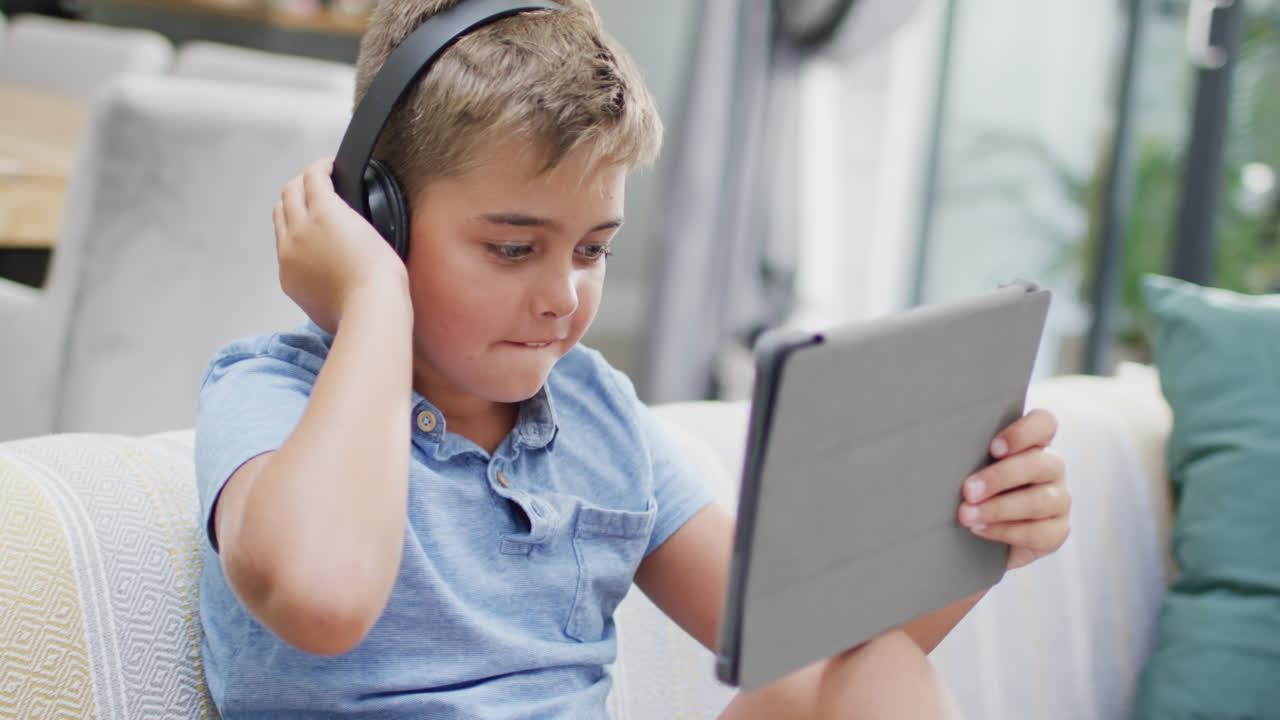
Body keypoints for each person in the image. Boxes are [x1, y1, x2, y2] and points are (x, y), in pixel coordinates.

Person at [193, 0, 1072, 717]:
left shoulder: (596, 413)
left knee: (878, 674)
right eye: (512, 249)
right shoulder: (270, 395)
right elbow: (324, 598)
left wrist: (980, 535)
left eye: (592, 251)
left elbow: (806, 641)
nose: (562, 297)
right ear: (376, 218)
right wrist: (373, 301)